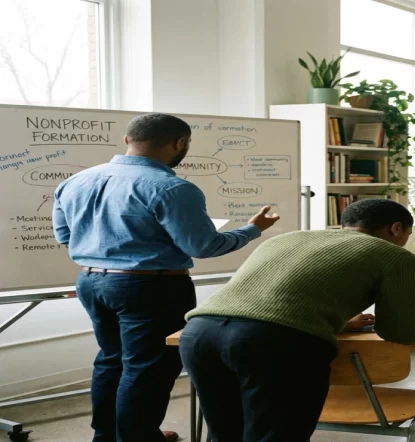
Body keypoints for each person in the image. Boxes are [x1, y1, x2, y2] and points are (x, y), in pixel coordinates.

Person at [52, 113, 280, 442]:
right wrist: (252, 229)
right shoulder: (172, 188)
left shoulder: (75, 181)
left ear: (128, 140)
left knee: (111, 360)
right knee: (148, 368)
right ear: (180, 143)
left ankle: (106, 437)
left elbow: (64, 236)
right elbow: (203, 245)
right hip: (150, 286)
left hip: (91, 282)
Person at [179, 198, 415, 442]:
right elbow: (397, 331)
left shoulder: (288, 238)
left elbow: (267, 297)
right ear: (396, 228)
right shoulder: (397, 257)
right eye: (406, 236)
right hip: (274, 341)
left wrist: (335, 320)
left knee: (226, 433)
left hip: (199, 333)